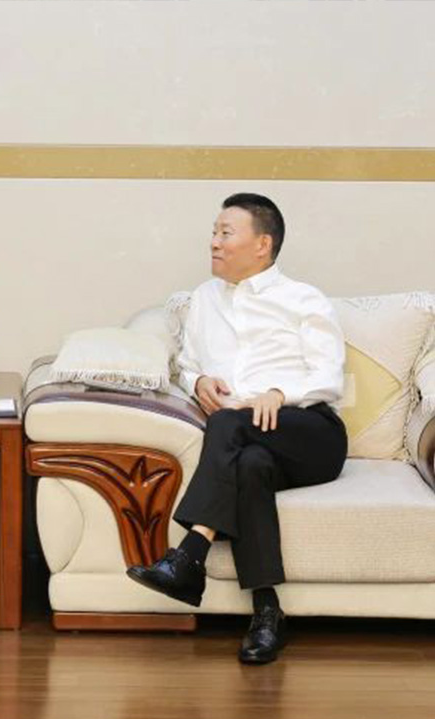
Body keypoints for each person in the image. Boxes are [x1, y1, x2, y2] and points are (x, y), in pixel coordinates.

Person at [126, 193, 347, 665]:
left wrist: (279, 393)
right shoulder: (204, 299)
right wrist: (199, 381)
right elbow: (187, 365)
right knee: (249, 464)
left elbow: (329, 376)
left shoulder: (303, 299)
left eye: (226, 233)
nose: (214, 242)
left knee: (227, 422)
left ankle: (189, 553)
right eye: (214, 232)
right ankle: (267, 613)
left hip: (309, 431)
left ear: (262, 244)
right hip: (246, 438)